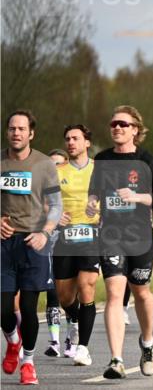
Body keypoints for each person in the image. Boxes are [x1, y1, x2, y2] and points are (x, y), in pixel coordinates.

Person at [86, 105, 153, 379]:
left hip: (140, 236)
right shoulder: (102, 159)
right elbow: (94, 191)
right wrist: (91, 203)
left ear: (135, 129)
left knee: (141, 292)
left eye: (123, 124)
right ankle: (116, 359)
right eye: (113, 124)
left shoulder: (147, 160)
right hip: (111, 235)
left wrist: (138, 197)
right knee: (113, 292)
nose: (117, 128)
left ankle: (147, 342)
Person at [2, 110, 62, 385]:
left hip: (34, 242)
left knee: (28, 307)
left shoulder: (44, 164)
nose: (16, 133)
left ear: (31, 133)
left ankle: (28, 362)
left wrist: (44, 233)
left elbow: (57, 206)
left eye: (21, 129)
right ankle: (13, 341)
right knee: (3, 308)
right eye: (12, 128)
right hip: (4, 242)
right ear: (7, 132)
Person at [51, 124, 100, 366]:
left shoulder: (100, 170)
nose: (71, 142)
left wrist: (102, 212)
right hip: (65, 237)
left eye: (76, 138)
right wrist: (54, 216)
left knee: (86, 285)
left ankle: (83, 348)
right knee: (64, 297)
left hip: (92, 234)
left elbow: (113, 198)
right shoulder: (57, 171)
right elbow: (43, 202)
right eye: (68, 139)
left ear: (87, 142)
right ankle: (75, 319)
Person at [43, 149, 67, 356]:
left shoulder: (74, 185)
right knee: (52, 291)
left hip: (70, 243)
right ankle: (54, 342)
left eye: (59, 164)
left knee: (69, 295)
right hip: (49, 242)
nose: (55, 168)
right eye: (51, 164)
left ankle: (73, 338)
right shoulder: (43, 185)